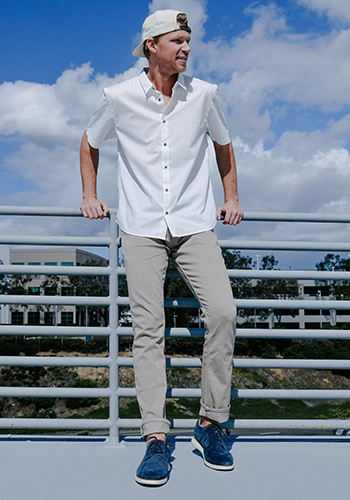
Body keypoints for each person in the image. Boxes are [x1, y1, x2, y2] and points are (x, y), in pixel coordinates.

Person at [80, 9, 244, 486]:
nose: (187, 49)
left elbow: (224, 145)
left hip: (195, 222)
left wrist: (231, 198)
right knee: (148, 328)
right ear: (152, 45)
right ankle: (155, 435)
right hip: (140, 226)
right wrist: (90, 196)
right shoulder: (118, 96)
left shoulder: (205, 94)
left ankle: (211, 423)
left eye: (189, 40)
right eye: (178, 41)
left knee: (223, 313)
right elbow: (89, 144)